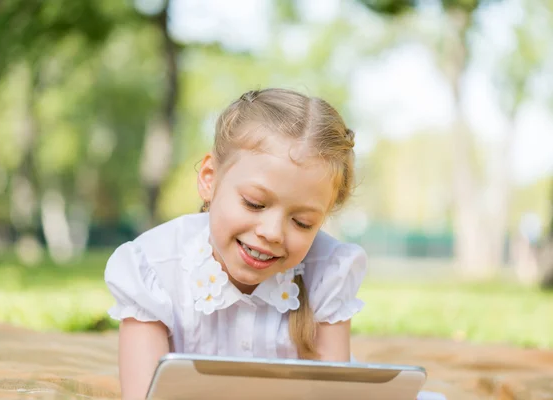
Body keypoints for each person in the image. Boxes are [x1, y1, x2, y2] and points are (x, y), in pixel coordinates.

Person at [104, 88, 444, 400]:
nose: (272, 233)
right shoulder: (153, 268)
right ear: (210, 179)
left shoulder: (328, 270)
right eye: (254, 203)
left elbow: (332, 395)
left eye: (302, 222)